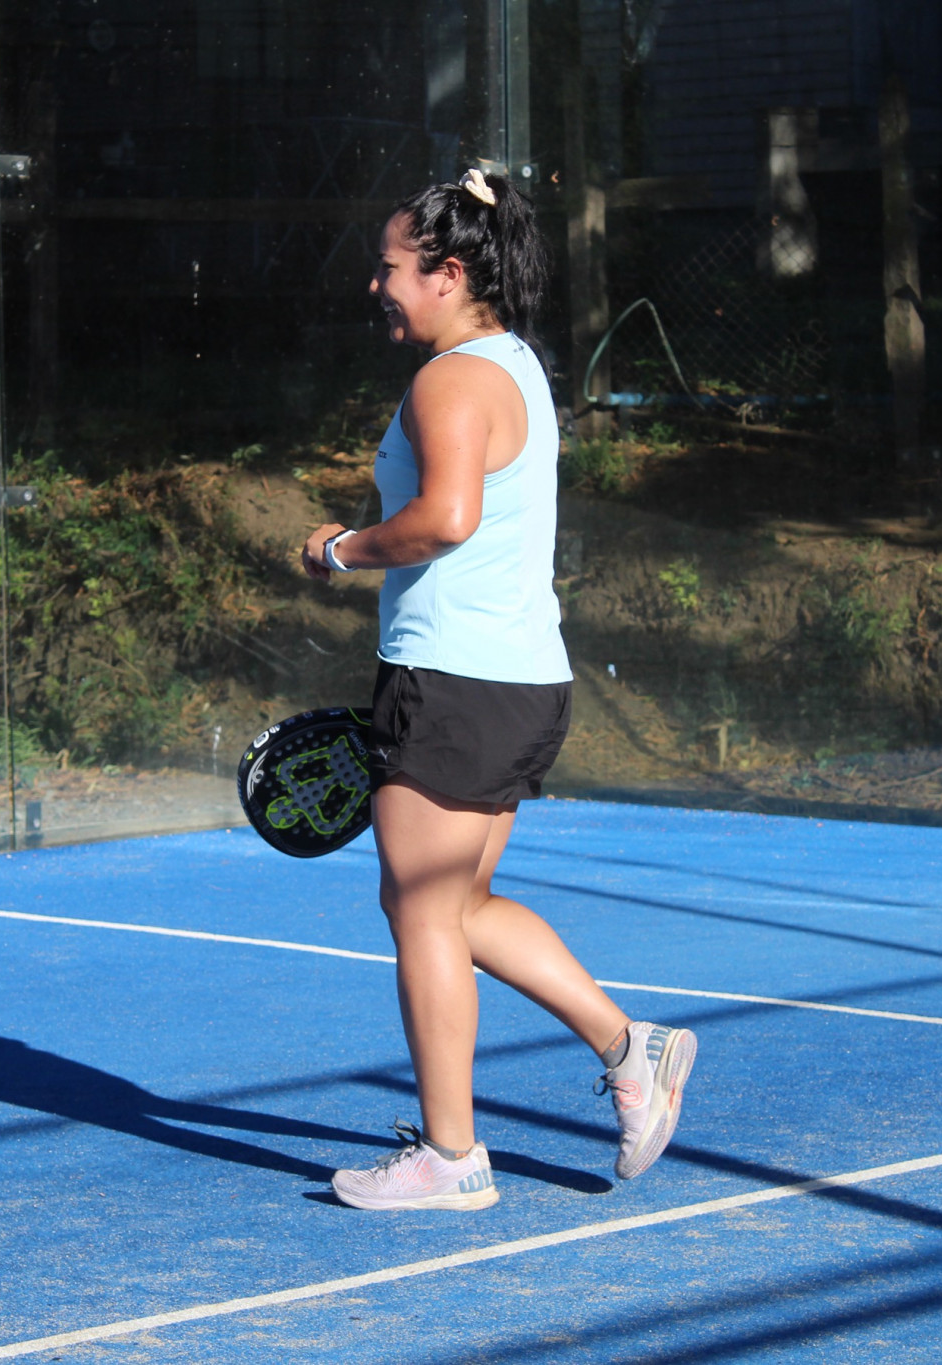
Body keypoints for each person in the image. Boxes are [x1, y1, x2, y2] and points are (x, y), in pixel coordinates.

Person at [301, 169, 697, 1211]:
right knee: (453, 904)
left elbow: (445, 520)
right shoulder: (515, 363)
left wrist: (340, 549)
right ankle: (632, 1049)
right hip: (520, 683)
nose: (377, 285)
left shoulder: (449, 380)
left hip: (455, 682)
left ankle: (450, 1156)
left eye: (390, 267)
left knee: (422, 912)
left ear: (446, 272)